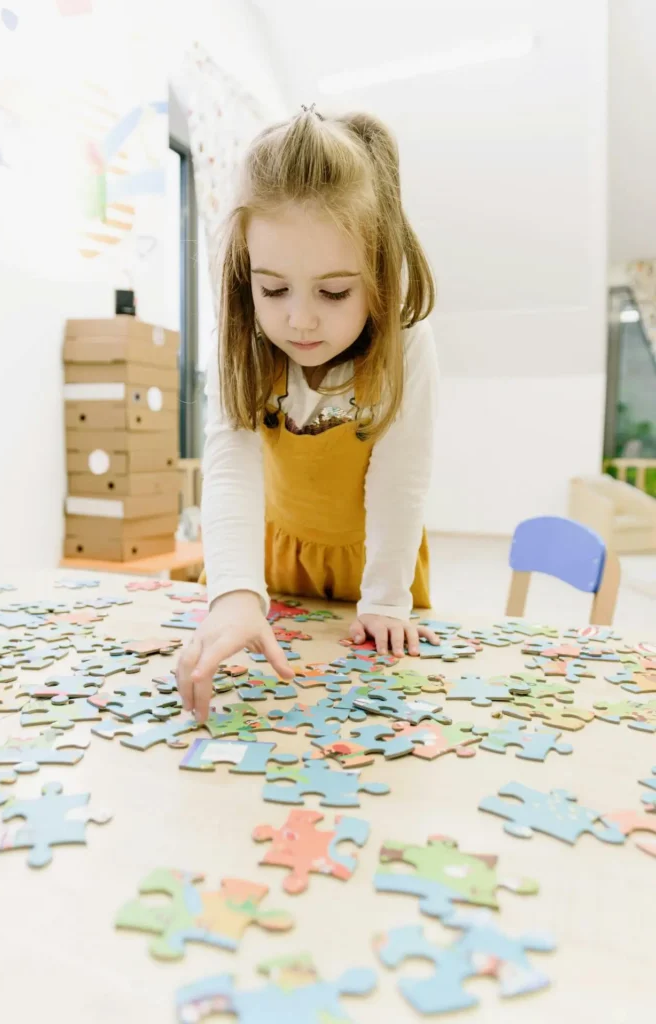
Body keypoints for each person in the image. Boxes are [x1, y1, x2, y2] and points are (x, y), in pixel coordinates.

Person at [178, 105, 439, 722]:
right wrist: (237, 596)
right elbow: (230, 469)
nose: (299, 319)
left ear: (378, 275)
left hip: (374, 560)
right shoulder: (242, 339)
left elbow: (401, 483)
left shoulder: (408, 342)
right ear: (246, 273)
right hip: (272, 555)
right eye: (273, 290)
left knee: (376, 713)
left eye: (333, 291)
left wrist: (384, 600)